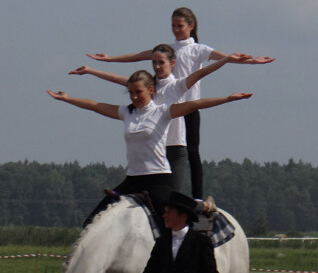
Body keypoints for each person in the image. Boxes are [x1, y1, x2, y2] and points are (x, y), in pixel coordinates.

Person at [87, 7, 274, 199]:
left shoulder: (198, 49)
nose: (176, 29)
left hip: (189, 105)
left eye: (180, 26)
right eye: (173, 26)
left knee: (190, 151)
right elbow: (137, 56)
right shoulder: (167, 50)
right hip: (164, 106)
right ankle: (144, 186)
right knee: (157, 145)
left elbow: (224, 59)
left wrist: (253, 62)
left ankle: (197, 196)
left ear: (190, 26)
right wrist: (109, 59)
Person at [47, 70, 252, 226]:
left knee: (169, 222)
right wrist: (67, 99)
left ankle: (205, 206)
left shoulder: (162, 111)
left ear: (151, 90)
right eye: (131, 93)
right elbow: (95, 105)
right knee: (91, 222)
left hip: (158, 177)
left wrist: (227, 98)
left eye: (139, 92)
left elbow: (195, 104)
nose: (134, 97)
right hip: (132, 179)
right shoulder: (127, 112)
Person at [70, 44, 250, 192]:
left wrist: (226, 60)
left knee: (172, 199)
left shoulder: (177, 86)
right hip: (152, 146)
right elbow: (117, 79)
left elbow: (201, 75)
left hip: (175, 147)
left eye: (160, 62)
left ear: (172, 63)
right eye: (153, 62)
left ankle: (197, 212)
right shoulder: (147, 85)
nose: (156, 66)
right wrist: (91, 71)